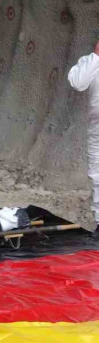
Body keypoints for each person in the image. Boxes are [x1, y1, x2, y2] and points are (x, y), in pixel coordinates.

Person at [68, 40, 99, 236]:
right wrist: (96, 56)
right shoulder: (89, 61)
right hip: (97, 128)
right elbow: (78, 83)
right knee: (97, 174)